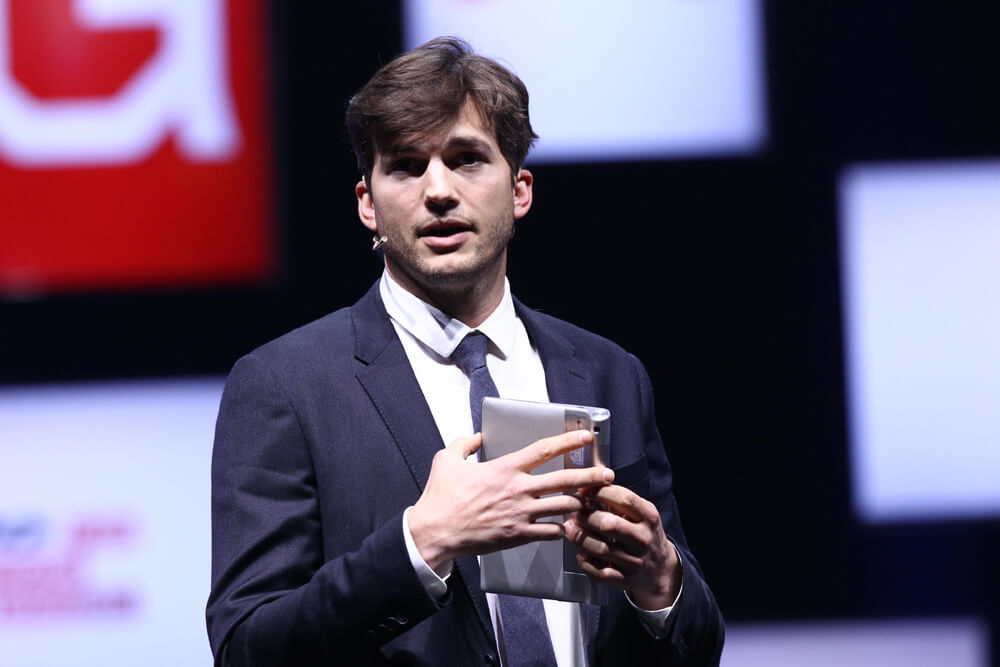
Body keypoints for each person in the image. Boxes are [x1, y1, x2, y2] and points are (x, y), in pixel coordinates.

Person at [206, 37, 724, 666]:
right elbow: (247, 647)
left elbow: (697, 643)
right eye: (405, 165)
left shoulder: (607, 372)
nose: (440, 191)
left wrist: (659, 582)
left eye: (467, 159)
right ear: (367, 203)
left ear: (520, 190)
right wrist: (424, 541)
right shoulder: (286, 384)